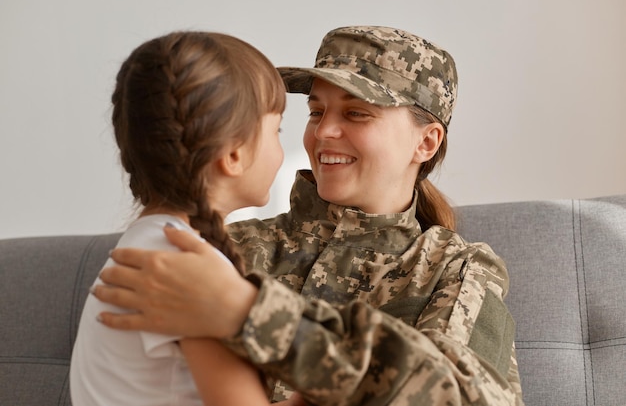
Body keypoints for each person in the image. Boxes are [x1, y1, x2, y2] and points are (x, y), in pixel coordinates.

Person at [91, 26, 525, 405]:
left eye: (356, 112)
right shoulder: (221, 247)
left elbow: (471, 398)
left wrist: (252, 315)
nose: (323, 131)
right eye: (316, 111)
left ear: (426, 143)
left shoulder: (456, 267)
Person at [70, 30, 306, 406]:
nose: (283, 146)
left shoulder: (153, 243)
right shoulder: (185, 272)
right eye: (276, 130)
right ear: (233, 155)